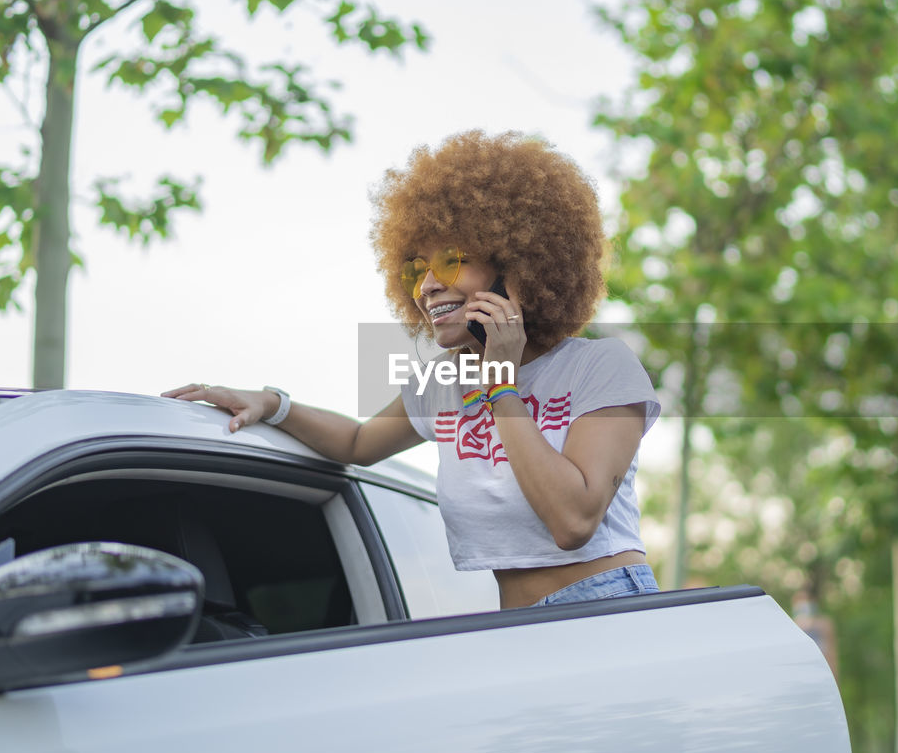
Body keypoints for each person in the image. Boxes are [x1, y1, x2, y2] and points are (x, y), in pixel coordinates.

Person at [164, 130, 661, 609]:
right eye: (417, 269)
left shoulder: (599, 366)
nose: (425, 287)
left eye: (450, 262)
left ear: (518, 267)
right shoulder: (445, 381)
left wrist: (501, 384)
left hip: (604, 605)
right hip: (514, 625)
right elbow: (357, 444)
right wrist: (273, 404)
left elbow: (572, 522)